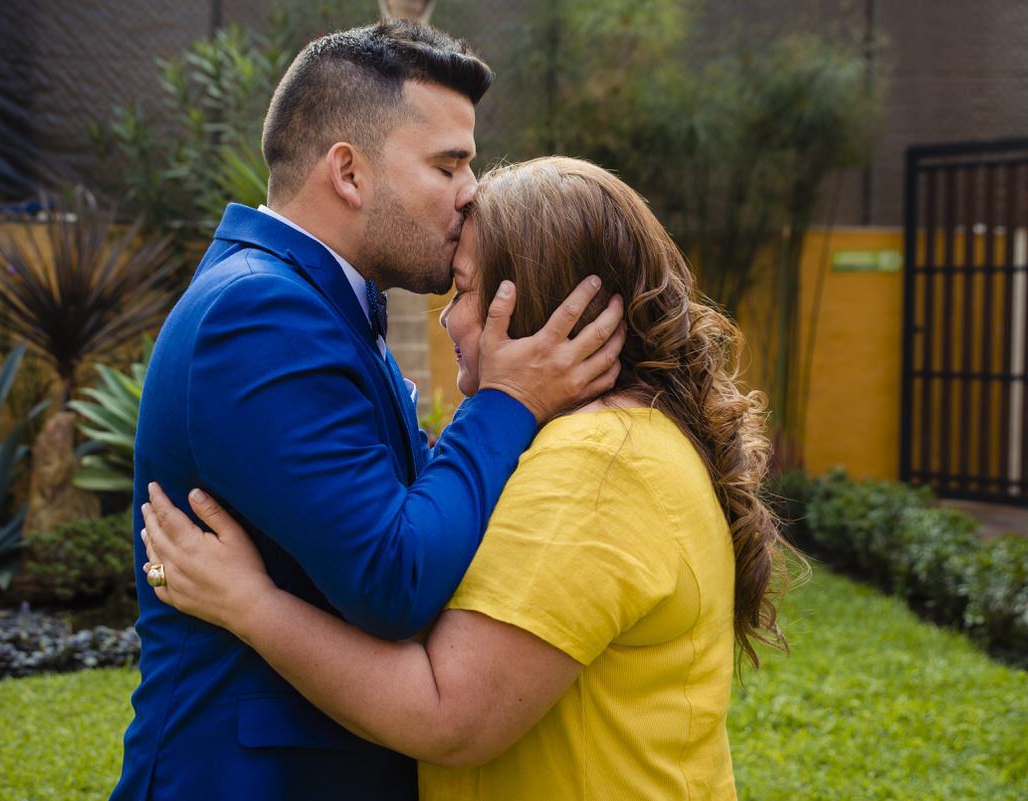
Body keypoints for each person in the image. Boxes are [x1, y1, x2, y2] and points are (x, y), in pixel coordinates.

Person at [139, 156, 801, 800]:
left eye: (465, 290)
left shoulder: (599, 459)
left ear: (543, 304)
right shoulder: (612, 438)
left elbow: (446, 713)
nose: (449, 317)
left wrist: (248, 603)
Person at [110, 22, 627, 801]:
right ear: (348, 172)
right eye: (448, 163)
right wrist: (507, 401)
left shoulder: (321, 307)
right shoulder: (259, 315)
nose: (471, 191)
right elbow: (394, 577)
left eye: (471, 164)